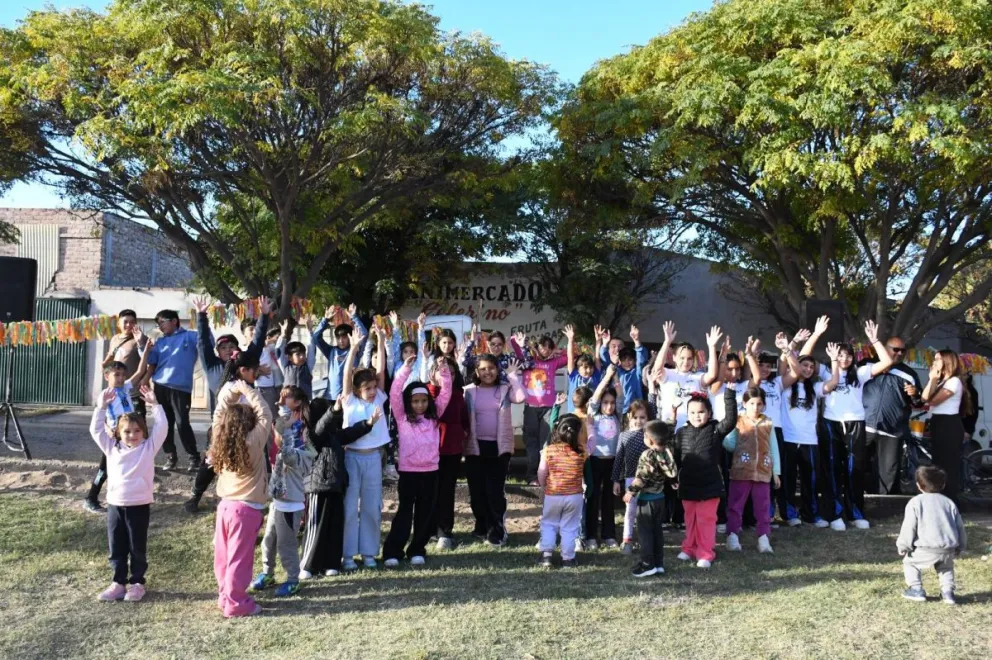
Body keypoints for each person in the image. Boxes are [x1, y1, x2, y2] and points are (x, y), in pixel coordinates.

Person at [90, 384, 166, 602]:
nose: (132, 435)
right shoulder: (111, 448)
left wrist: (155, 405)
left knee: (137, 547)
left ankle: (136, 583)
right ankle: (118, 582)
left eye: (137, 431)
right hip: (115, 504)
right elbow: (96, 430)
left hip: (139, 505)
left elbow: (162, 428)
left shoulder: (148, 448)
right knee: (117, 547)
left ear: (143, 431)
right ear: (118, 433)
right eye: (127, 431)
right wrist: (101, 406)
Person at [672, 327, 736, 569]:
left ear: (709, 413)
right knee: (691, 519)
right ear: (687, 415)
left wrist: (729, 395)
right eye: (693, 413)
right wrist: (673, 477)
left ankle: (705, 553)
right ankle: (688, 548)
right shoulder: (681, 431)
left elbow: (730, 420)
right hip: (688, 483)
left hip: (710, 484)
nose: (697, 416)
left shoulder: (716, 429)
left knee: (707, 520)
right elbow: (676, 456)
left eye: (702, 412)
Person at [820, 321, 893, 531]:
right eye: (840, 355)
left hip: (855, 423)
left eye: (848, 355)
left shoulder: (860, 372)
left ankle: (856, 513)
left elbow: (886, 361)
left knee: (854, 469)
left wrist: (875, 340)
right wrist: (817, 336)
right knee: (833, 469)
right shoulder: (826, 371)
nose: (844, 358)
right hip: (831, 423)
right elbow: (800, 362)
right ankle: (833, 514)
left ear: (854, 357)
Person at [209, 379, 273, 618]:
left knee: (224, 556)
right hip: (245, 509)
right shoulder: (253, 441)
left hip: (225, 506)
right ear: (249, 423)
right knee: (239, 558)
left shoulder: (219, 439)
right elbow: (265, 412)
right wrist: (245, 388)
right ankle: (236, 603)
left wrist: (230, 393)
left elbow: (218, 414)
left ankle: (225, 595)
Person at [382, 356, 453, 567]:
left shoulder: (434, 416)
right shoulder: (402, 417)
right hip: (408, 472)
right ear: (408, 402)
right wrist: (405, 368)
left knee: (425, 514)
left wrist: (443, 370)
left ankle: (417, 550)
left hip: (431, 472)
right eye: (415, 401)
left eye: (423, 401)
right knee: (404, 512)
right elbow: (395, 392)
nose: (420, 405)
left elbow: (446, 393)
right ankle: (393, 552)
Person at [300, 398, 380, 579]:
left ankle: (332, 563)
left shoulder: (335, 436)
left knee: (335, 526)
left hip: (337, 487)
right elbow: (320, 429)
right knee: (316, 527)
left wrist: (368, 423)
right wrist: (334, 410)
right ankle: (308, 564)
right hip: (317, 488)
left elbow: (351, 433)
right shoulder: (311, 435)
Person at [251, 386, 316, 597]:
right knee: (268, 541)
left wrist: (286, 429)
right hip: (278, 503)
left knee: (286, 544)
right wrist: (282, 416)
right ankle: (267, 572)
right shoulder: (289, 444)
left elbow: (286, 451)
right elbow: (280, 431)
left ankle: (293, 579)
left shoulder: (303, 454)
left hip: (290, 506)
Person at [340, 324, 390, 570]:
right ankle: (347, 555)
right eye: (367, 388)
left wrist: (380, 341)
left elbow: (380, 370)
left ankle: (369, 552)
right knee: (349, 508)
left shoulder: (380, 396)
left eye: (373, 387)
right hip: (351, 458)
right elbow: (347, 374)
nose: (372, 392)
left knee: (371, 506)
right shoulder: (348, 400)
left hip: (373, 459)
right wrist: (353, 348)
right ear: (358, 390)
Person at [463, 354, 525, 546]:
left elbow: (522, 397)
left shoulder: (505, 389)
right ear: (476, 371)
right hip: (475, 447)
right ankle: (481, 526)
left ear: (497, 370)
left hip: (499, 448)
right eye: (482, 369)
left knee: (494, 492)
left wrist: (513, 376)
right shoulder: (469, 391)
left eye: (491, 368)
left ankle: (496, 531)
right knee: (477, 493)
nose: (487, 372)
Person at [83, 358, 151, 513]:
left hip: (127, 435)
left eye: (123, 375)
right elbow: (101, 415)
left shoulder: (125, 388)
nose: (121, 378)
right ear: (107, 376)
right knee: (104, 469)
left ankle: (128, 494)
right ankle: (91, 498)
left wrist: (145, 350)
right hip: (115, 438)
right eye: (117, 375)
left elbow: (140, 371)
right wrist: (107, 428)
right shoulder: (105, 395)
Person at [142, 308, 204, 471]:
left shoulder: (191, 336)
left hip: (181, 389)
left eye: (162, 322)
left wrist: (202, 317)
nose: (160, 326)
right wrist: (143, 344)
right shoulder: (160, 342)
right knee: (164, 424)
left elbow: (207, 341)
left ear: (174, 321)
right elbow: (151, 360)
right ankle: (170, 456)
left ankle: (194, 457)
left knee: (183, 423)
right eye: (158, 324)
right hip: (160, 387)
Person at [896, 465, 967, 605]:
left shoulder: (915, 502)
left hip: (924, 548)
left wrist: (903, 545)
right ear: (943, 484)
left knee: (910, 563)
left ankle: (916, 589)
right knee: (946, 568)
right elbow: (959, 526)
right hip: (947, 548)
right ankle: (948, 593)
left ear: (918, 485)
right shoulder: (949, 503)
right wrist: (961, 545)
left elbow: (909, 526)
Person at [863, 335, 923, 495]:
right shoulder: (867, 365)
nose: (899, 353)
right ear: (884, 348)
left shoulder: (909, 373)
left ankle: (885, 506)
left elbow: (919, 402)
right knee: (859, 465)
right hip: (864, 426)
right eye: (895, 349)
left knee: (889, 470)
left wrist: (916, 394)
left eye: (902, 351)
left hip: (892, 430)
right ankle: (858, 502)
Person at [724, 387, 780, 554]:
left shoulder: (768, 423)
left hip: (763, 471)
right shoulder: (738, 422)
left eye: (759, 404)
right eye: (752, 403)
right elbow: (728, 443)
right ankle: (732, 535)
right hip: (741, 471)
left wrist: (775, 471)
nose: (755, 407)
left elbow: (773, 448)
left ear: (764, 405)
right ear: (744, 404)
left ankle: (763, 537)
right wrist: (739, 447)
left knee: (763, 506)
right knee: (736, 504)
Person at [537, 413, 593, 569]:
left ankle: (546, 555)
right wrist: (591, 427)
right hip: (574, 497)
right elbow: (592, 447)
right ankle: (568, 558)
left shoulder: (549, 450)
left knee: (549, 524)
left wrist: (544, 486)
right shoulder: (582, 451)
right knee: (569, 527)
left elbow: (542, 472)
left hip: (553, 494)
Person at [624, 420, 678, 578]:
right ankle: (658, 563)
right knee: (657, 531)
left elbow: (642, 477)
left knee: (645, 533)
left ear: (650, 439)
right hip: (660, 498)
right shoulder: (667, 452)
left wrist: (631, 492)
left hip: (647, 500)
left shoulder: (648, 455)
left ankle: (648, 564)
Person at [426, 355, 469, 551]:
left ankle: (444, 532)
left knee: (446, 491)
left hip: (451, 450)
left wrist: (461, 434)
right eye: (442, 371)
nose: (446, 376)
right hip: (428, 451)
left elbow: (464, 420)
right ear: (432, 373)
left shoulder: (459, 395)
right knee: (429, 492)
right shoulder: (426, 393)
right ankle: (428, 530)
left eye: (451, 373)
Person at [512, 333, 568, 484]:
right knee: (531, 443)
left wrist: (558, 350)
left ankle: (544, 475)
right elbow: (514, 345)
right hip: (530, 407)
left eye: (549, 347)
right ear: (537, 347)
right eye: (543, 346)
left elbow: (570, 357)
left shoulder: (553, 362)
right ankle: (531, 475)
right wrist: (520, 341)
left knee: (546, 442)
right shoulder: (527, 360)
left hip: (548, 408)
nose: (546, 350)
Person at [921, 350, 972, 501]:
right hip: (938, 422)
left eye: (938, 359)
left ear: (947, 362)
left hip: (948, 424)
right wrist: (932, 380)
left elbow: (934, 401)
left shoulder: (954, 381)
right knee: (938, 463)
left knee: (948, 464)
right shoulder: (942, 380)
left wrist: (934, 380)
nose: (934, 362)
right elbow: (925, 398)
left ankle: (950, 500)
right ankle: (940, 498)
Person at [583, 364, 624, 550]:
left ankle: (609, 535)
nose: (609, 406)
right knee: (592, 498)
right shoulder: (594, 415)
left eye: (612, 403)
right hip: (595, 461)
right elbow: (594, 398)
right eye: (605, 402)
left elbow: (621, 396)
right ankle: (591, 536)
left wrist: (616, 379)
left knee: (609, 500)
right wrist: (606, 377)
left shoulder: (618, 417)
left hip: (613, 463)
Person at [652, 321, 721, 430]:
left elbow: (712, 374)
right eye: (682, 358)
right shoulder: (668, 374)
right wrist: (667, 342)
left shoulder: (698, 377)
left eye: (689, 358)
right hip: (670, 428)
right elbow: (657, 368)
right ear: (674, 357)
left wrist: (712, 347)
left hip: (692, 430)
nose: (685, 362)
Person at [612, 400, 652, 555]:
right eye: (635, 417)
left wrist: (652, 389)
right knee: (630, 511)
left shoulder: (649, 435)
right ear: (629, 416)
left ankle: (646, 540)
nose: (639, 421)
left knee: (646, 512)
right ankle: (627, 540)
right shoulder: (623, 435)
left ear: (648, 419)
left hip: (648, 479)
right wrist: (616, 480)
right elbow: (618, 459)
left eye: (643, 417)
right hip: (630, 479)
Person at [312, 304, 367, 400]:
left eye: (344, 337)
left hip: (349, 398)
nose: (341, 340)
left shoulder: (355, 350)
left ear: (350, 337)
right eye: (338, 337)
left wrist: (354, 317)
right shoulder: (331, 351)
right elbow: (316, 337)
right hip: (331, 397)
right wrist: (325, 320)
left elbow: (364, 335)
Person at [599, 325, 649, 413]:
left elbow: (641, 360)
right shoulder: (616, 371)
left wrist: (636, 341)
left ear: (634, 360)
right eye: (624, 360)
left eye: (630, 360)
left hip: (635, 411)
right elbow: (605, 360)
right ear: (620, 360)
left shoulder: (637, 372)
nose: (627, 362)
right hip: (616, 410)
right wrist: (604, 344)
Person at [563, 324, 602, 414]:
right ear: (578, 368)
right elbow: (570, 357)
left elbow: (597, 357)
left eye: (591, 367)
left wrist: (598, 341)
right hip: (574, 414)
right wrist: (570, 339)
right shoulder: (574, 376)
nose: (588, 370)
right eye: (585, 367)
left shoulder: (595, 376)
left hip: (592, 415)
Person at [276, 319, 317, 400]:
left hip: (304, 404)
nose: (302, 357)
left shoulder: (308, 366)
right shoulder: (285, 366)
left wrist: (310, 332)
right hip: (289, 404)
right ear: (289, 357)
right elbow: (278, 351)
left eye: (303, 354)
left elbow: (311, 349)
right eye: (298, 354)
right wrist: (283, 335)